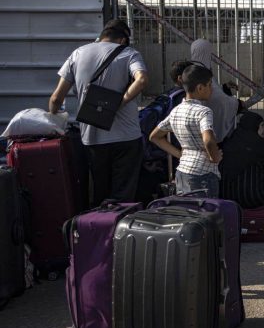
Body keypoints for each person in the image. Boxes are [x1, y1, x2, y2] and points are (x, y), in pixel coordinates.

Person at [48, 19, 148, 204]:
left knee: (99, 194)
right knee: (123, 197)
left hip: (92, 138)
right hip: (127, 138)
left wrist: (54, 119)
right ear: (123, 40)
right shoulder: (129, 53)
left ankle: (97, 229)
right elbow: (141, 80)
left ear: (102, 36)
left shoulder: (77, 54)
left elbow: (56, 98)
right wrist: (120, 102)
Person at [149, 64, 223, 197]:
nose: (212, 89)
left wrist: (179, 154)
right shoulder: (204, 112)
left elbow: (154, 136)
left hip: (182, 171)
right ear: (200, 88)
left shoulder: (176, 111)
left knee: (187, 213)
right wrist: (215, 157)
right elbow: (209, 140)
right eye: (210, 85)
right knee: (206, 214)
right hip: (203, 175)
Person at [190, 38, 240, 143]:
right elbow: (217, 98)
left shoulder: (189, 71)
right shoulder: (203, 73)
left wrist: (224, 87)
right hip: (208, 132)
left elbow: (212, 89)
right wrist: (237, 103)